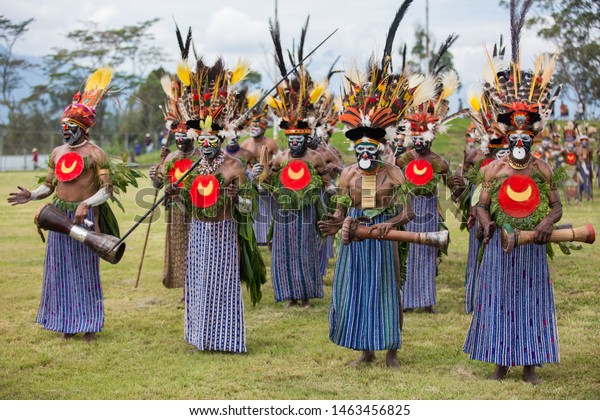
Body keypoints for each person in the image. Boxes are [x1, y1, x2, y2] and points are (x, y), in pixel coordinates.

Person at [463, 11, 563, 383]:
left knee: (532, 300)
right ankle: (500, 361)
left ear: (532, 139)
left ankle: (531, 364)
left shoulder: (542, 169)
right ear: (506, 138)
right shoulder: (494, 169)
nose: (519, 143)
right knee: (499, 299)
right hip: (500, 246)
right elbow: (481, 205)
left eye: (526, 139)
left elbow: (556, 206)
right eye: (514, 139)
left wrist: (546, 225)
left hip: (531, 245)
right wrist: (487, 223)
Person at [8, 68, 117, 342]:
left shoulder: (95, 153)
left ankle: (89, 325)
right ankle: (66, 322)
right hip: (58, 216)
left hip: (85, 217)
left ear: (82, 128)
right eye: (63, 126)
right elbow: (50, 186)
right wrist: (31, 196)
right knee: (59, 269)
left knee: (85, 269)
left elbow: (108, 190)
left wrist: (86, 204)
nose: (65, 131)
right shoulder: (57, 153)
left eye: (70, 127)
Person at [175, 56, 265, 353]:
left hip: (225, 231)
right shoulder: (193, 167)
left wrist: (236, 198)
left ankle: (226, 339)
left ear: (221, 137)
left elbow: (250, 208)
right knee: (199, 283)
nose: (205, 143)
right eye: (201, 138)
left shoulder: (234, 166)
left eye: (211, 138)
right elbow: (185, 204)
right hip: (199, 232)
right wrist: (176, 195)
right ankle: (199, 337)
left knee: (223, 284)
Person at [252, 16, 331, 308]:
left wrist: (330, 199)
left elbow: (327, 183)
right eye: (292, 138)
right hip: (284, 213)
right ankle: (287, 295)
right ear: (287, 138)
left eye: (301, 137)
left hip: (308, 212)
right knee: (283, 251)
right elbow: (266, 182)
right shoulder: (280, 158)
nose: (296, 142)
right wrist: (259, 180)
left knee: (306, 251)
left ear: (307, 136)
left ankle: (306, 295)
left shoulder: (316, 157)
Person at [395, 67, 461, 314]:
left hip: (430, 213)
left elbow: (452, 189)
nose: (420, 141)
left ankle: (427, 301)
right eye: (417, 136)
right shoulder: (403, 160)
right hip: (408, 211)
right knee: (409, 252)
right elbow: (395, 185)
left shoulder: (438, 162)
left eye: (424, 136)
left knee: (427, 254)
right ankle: (408, 300)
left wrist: (460, 191)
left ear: (432, 137)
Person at [149, 118, 201, 292]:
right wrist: (154, 177)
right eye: (177, 136)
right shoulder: (171, 157)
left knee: (197, 249)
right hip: (176, 212)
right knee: (181, 251)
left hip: (198, 210)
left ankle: (198, 287)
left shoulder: (201, 156)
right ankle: (187, 289)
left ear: (192, 136)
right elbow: (159, 185)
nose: (179, 139)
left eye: (183, 136)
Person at [240, 109, 279, 246]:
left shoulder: (271, 143)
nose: (253, 128)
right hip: (251, 181)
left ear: (263, 128)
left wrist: (270, 171)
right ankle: (254, 239)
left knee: (269, 214)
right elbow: (240, 162)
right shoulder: (245, 144)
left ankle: (271, 239)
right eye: (251, 126)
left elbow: (279, 160)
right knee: (253, 213)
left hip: (267, 182)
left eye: (256, 126)